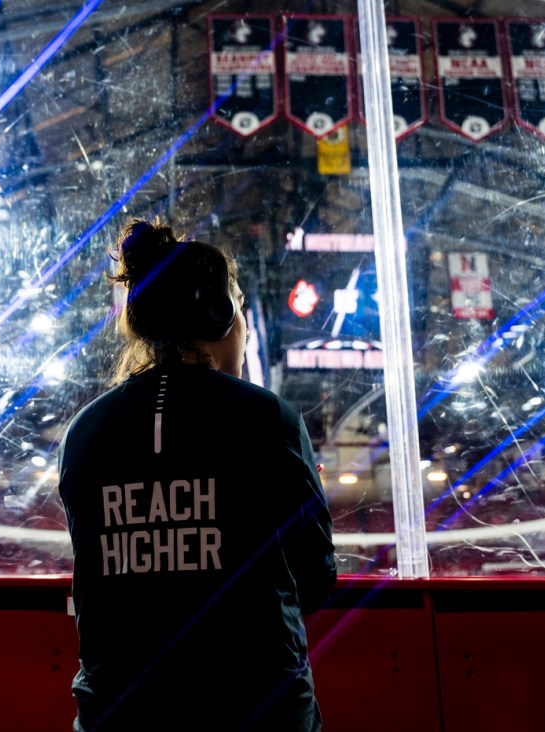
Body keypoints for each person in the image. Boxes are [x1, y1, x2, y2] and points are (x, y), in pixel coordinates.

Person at [58, 219, 337, 731]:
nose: (246, 327)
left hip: (117, 718)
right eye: (241, 309)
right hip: (258, 713)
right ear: (220, 314)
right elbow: (316, 581)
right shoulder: (268, 419)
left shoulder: (85, 431)